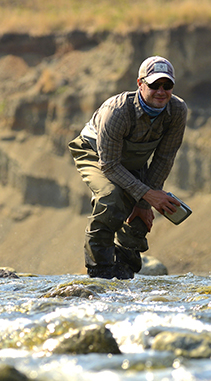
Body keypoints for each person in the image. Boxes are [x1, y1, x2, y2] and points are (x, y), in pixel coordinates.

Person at [68, 55, 188, 279]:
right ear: (140, 84)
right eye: (154, 85)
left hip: (132, 160)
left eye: (167, 85)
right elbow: (110, 165)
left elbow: (164, 158)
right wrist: (148, 194)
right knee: (111, 198)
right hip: (96, 154)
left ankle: (124, 270)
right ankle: (100, 270)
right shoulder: (117, 111)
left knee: (141, 214)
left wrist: (145, 201)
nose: (161, 91)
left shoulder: (178, 111)